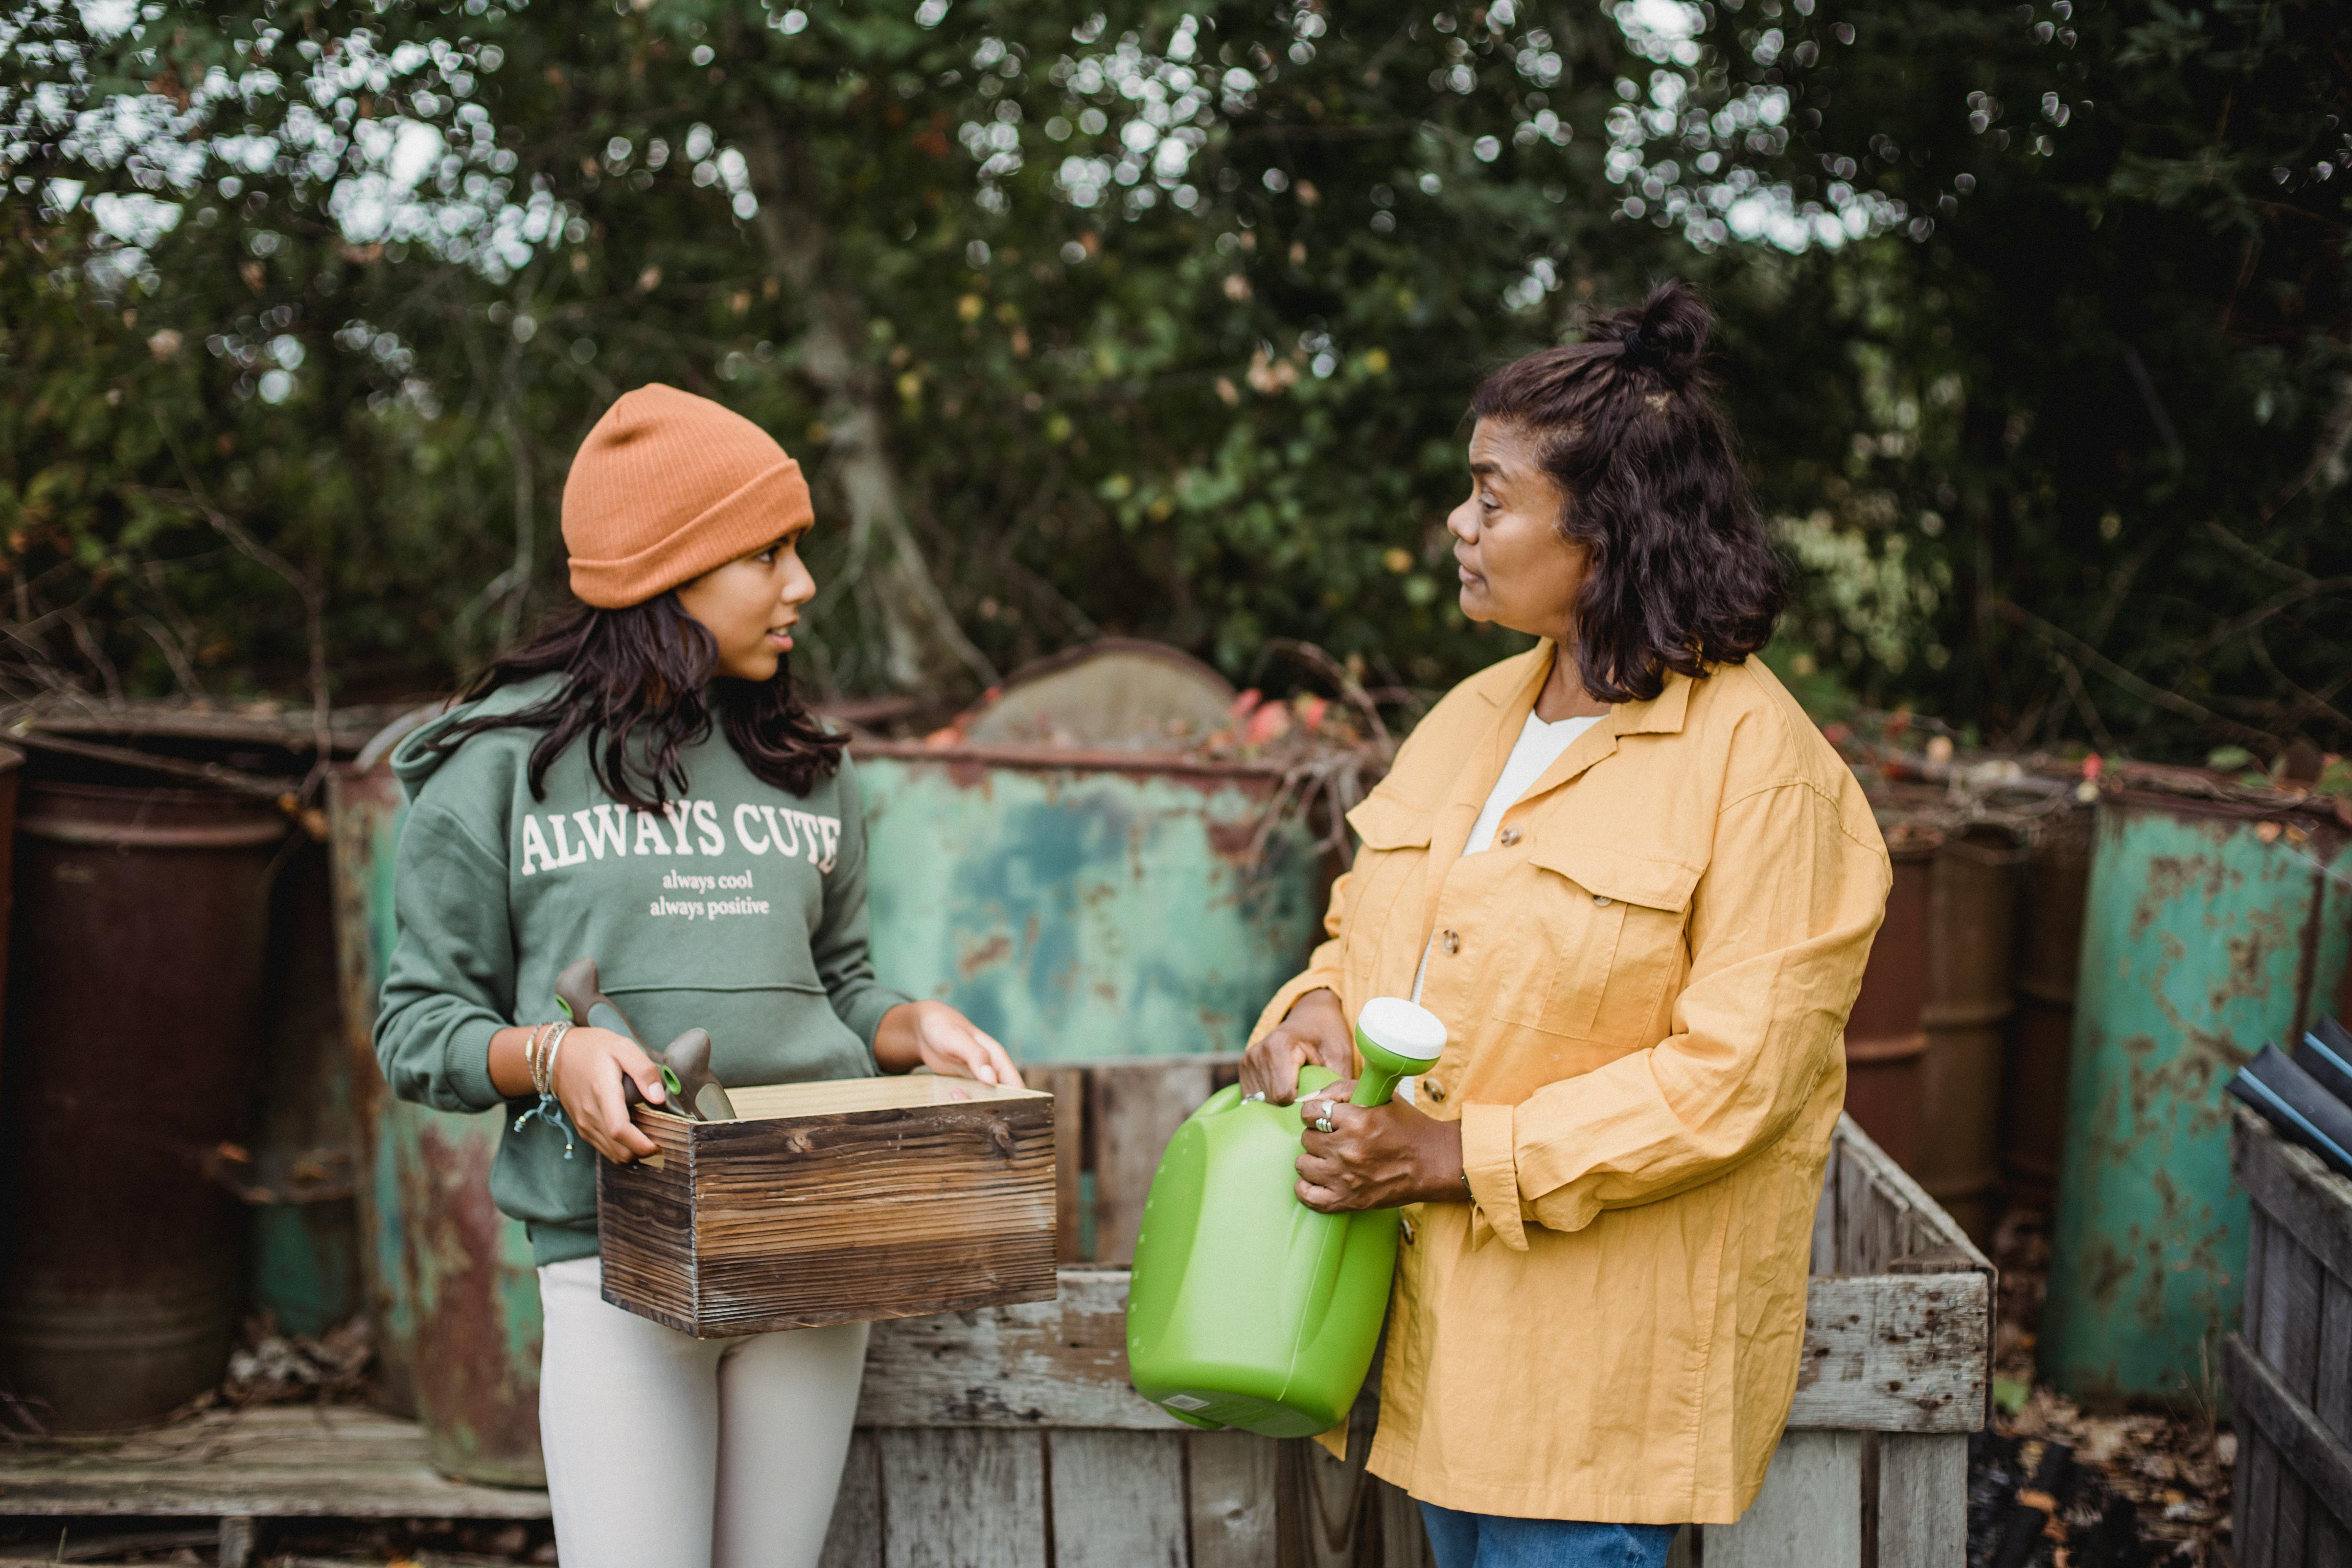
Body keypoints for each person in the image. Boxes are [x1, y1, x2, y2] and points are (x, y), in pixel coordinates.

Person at [1240, 280, 1891, 1567]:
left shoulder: (1765, 772)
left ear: (1611, 529)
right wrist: (1306, 1009)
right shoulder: (1474, 717)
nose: (1457, 523)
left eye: (1491, 496)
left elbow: (1735, 1085)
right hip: (1427, 1365)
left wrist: (1451, 1156)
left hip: (1592, 1402)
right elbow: (1363, 937)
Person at [374, 385, 1020, 1568]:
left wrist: (912, 1025)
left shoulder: (802, 764)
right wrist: (554, 1054)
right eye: (767, 553)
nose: (802, 585)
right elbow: (419, 1029)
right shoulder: (496, 770)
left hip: (812, 1233)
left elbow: (840, 987)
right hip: (613, 1249)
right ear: (668, 571)